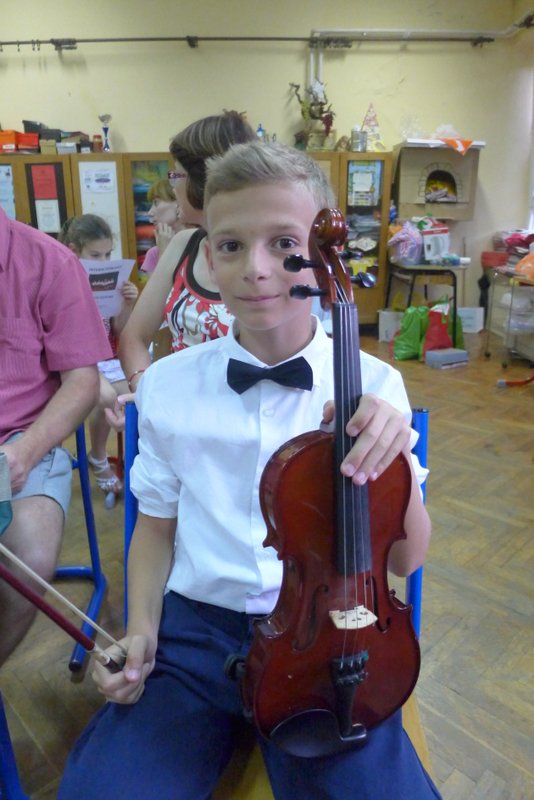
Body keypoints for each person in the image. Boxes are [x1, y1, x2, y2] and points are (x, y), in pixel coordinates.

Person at [58, 142, 439, 800]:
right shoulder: (168, 386)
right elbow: (155, 528)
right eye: (231, 245)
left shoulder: (374, 385)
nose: (256, 269)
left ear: (321, 255)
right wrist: (142, 630)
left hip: (331, 651)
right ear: (208, 257)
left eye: (284, 243)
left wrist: (394, 456)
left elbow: (404, 557)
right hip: (195, 641)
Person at [0, 208, 112, 666]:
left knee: (28, 555)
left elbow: (82, 381)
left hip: (23, 436)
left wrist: (23, 454)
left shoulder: (49, 262)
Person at [116, 110, 256, 401]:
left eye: (177, 174)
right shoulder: (184, 244)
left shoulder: (263, 258)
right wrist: (146, 392)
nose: (173, 185)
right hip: (177, 409)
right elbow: (133, 338)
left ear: (204, 179)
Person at [59, 215, 138, 499]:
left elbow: (119, 330)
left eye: (107, 254)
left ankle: (138, 461)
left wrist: (127, 304)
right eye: (95, 255)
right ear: (73, 251)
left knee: (135, 394)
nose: (103, 262)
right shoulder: (60, 280)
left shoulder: (110, 280)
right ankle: (99, 456)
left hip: (105, 358)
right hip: (74, 359)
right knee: (105, 396)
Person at [138, 178, 182, 278]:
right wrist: (164, 252)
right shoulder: (154, 253)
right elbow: (159, 288)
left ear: (179, 203)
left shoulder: (201, 244)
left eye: (156, 203)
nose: (150, 212)